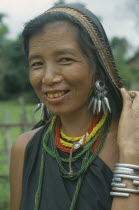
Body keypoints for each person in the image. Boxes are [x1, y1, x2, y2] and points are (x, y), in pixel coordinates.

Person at [10, 4, 139, 210]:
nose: (48, 77)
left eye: (65, 60)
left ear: (99, 67)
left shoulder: (128, 145)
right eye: (37, 63)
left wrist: (130, 156)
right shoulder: (24, 150)